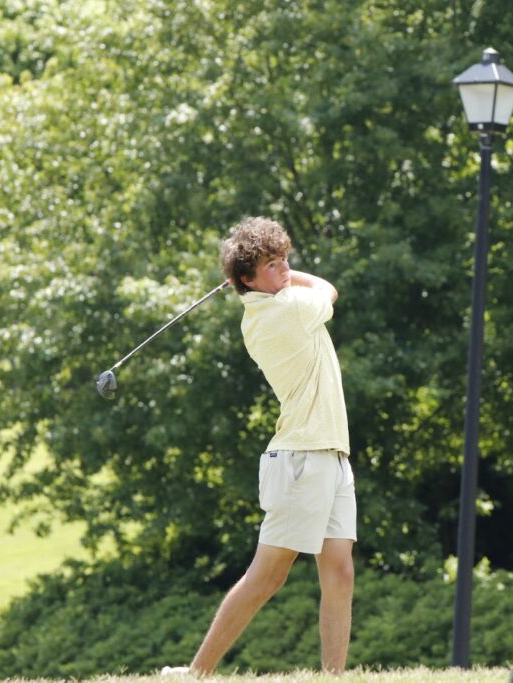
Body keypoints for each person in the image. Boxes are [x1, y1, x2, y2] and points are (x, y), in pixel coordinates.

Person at [162, 216, 356, 676]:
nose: (285, 269)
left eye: (285, 258)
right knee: (268, 576)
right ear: (246, 280)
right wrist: (292, 276)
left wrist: (268, 269)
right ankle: (195, 673)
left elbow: (310, 286)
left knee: (340, 571)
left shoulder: (278, 299)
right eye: (272, 264)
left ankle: (334, 675)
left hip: (329, 453)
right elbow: (328, 288)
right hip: (301, 458)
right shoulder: (281, 311)